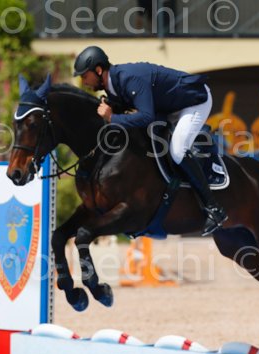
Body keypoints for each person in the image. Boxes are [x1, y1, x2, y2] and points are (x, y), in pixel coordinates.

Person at [73, 46, 227, 236]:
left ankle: (214, 208)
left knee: (177, 150)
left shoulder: (129, 79)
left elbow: (146, 116)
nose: (83, 81)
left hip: (194, 101)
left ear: (98, 70)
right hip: (169, 106)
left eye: (84, 75)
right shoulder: (112, 85)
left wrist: (112, 117)